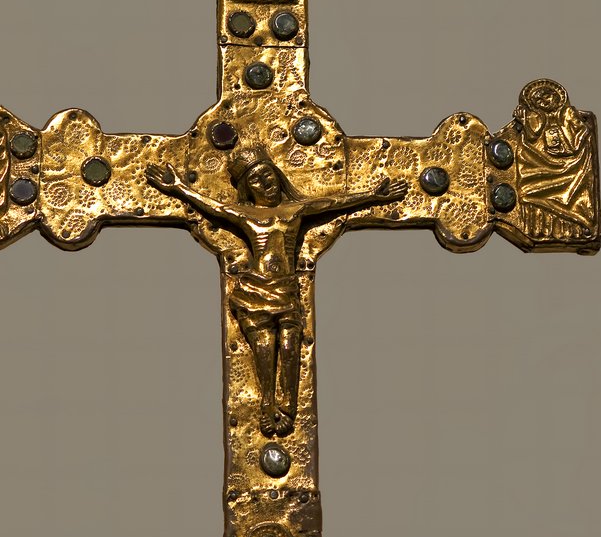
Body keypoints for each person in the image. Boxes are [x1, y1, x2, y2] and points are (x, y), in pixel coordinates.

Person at [146, 151, 407, 435]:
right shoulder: (246, 215)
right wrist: (178, 187)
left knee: (290, 346)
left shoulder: (295, 210)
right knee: (264, 347)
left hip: (286, 289)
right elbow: (216, 208)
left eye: (267, 174)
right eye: (255, 180)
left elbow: (333, 202)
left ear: (277, 174)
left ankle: (289, 408)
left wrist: (372, 196)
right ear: (247, 188)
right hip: (256, 289)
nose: (265, 183)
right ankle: (267, 403)